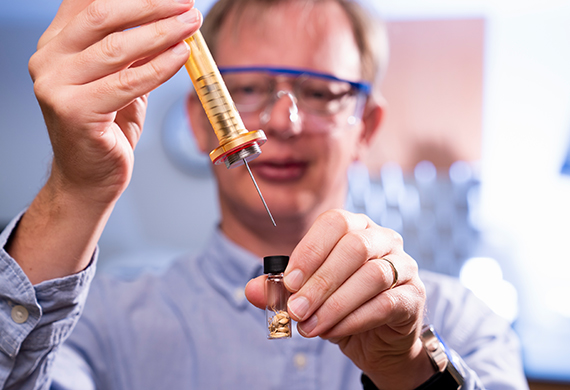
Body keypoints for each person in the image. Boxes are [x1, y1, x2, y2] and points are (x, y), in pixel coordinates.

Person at [0, 0, 528, 389]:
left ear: (366, 125)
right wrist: (76, 188)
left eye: (319, 91)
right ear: (202, 122)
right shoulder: (98, 323)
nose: (282, 120)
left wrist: (409, 369)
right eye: (247, 89)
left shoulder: (462, 323)